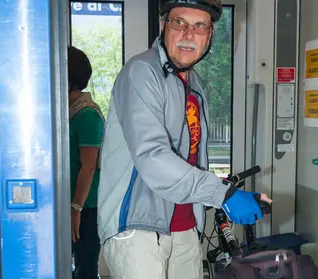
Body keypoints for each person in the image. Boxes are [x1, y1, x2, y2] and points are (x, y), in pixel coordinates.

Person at [96, 0, 272, 278]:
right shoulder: (142, 71)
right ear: (164, 26)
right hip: (139, 228)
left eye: (200, 26)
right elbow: (153, 157)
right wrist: (222, 195)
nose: (189, 35)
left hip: (185, 227)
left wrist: (227, 191)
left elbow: (189, 157)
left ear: (210, 34)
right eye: (180, 23)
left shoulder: (194, 84)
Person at [68, 46, 104, 279]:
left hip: (87, 208)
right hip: (74, 205)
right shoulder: (71, 112)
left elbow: (88, 167)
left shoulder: (87, 115)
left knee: (86, 271)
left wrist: (75, 210)